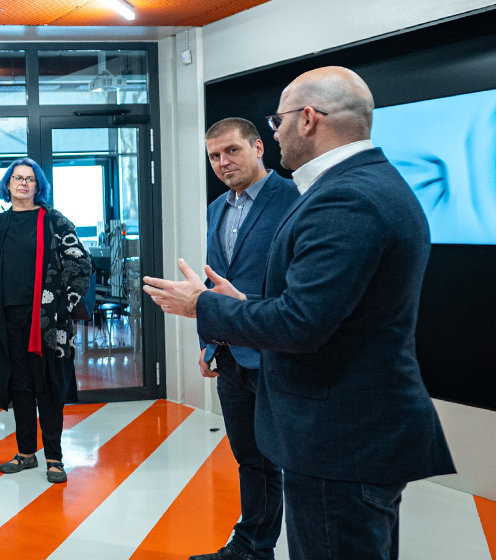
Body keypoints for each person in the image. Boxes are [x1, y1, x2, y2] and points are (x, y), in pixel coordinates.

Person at [143, 67, 455, 560]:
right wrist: (237, 309)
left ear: (308, 119)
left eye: (278, 120)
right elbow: (320, 308)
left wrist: (201, 305)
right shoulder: (364, 184)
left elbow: (300, 324)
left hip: (339, 437)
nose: (276, 132)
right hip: (347, 429)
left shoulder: (344, 198)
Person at [188, 118, 297, 560]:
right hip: (231, 355)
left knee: (289, 461)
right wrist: (210, 341)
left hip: (278, 351)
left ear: (258, 147)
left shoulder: (295, 197)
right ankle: (252, 546)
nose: (222, 162)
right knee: (250, 459)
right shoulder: (217, 208)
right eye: (214, 156)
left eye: (231, 150)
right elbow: (216, 283)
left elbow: (301, 284)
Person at [0, 157, 92, 484]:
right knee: (19, 385)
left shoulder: (54, 220)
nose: (23, 183)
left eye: (30, 179)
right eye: (17, 178)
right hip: (6, 319)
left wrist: (64, 304)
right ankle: (26, 452)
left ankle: (54, 458)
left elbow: (80, 263)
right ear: (8, 185)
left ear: (38, 186)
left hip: (47, 322)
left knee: (48, 386)